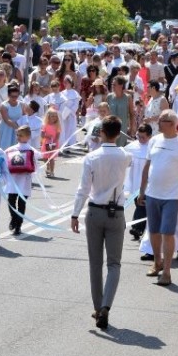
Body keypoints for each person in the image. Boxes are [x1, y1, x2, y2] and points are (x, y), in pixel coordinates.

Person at [71, 115, 133, 330]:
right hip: (116, 212)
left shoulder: (92, 157)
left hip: (95, 211)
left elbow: (83, 189)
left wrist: (74, 214)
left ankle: (98, 308)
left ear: (102, 132)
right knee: (114, 263)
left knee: (95, 263)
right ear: (118, 133)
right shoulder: (125, 156)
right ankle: (106, 305)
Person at [137, 110, 178, 287]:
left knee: (167, 232)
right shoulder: (154, 140)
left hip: (171, 196)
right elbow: (147, 167)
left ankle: (167, 272)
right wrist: (141, 191)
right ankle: (157, 262)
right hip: (152, 194)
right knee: (153, 231)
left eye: (162, 120)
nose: (158, 123)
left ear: (172, 123)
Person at [5, 126, 35, 236]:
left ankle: (18, 225)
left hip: (25, 180)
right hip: (13, 180)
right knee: (11, 200)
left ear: (28, 136)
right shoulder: (11, 149)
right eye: (17, 135)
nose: (18, 137)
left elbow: (36, 161)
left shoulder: (31, 150)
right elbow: (5, 158)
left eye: (21, 135)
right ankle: (14, 218)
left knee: (22, 203)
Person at [125, 124, 153, 241]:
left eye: (143, 137)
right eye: (138, 136)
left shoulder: (153, 148)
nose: (140, 139)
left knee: (142, 205)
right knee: (139, 204)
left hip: (148, 183)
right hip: (134, 180)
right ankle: (140, 228)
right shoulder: (132, 147)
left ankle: (137, 227)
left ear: (150, 136)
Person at [0, 85, 23, 149]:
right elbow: (7, 120)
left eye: (16, 96)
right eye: (12, 96)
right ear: (8, 95)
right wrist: (19, 128)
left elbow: (24, 117)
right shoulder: (3, 105)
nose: (14, 98)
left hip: (17, 129)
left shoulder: (21, 104)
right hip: (5, 130)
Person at [41, 107, 62, 178]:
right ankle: (48, 167)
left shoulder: (57, 125)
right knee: (45, 157)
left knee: (51, 158)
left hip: (54, 143)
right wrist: (46, 136)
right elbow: (42, 134)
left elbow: (58, 135)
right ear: (48, 116)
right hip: (46, 143)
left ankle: (52, 171)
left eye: (55, 116)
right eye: (52, 116)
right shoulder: (45, 125)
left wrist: (55, 141)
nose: (54, 118)